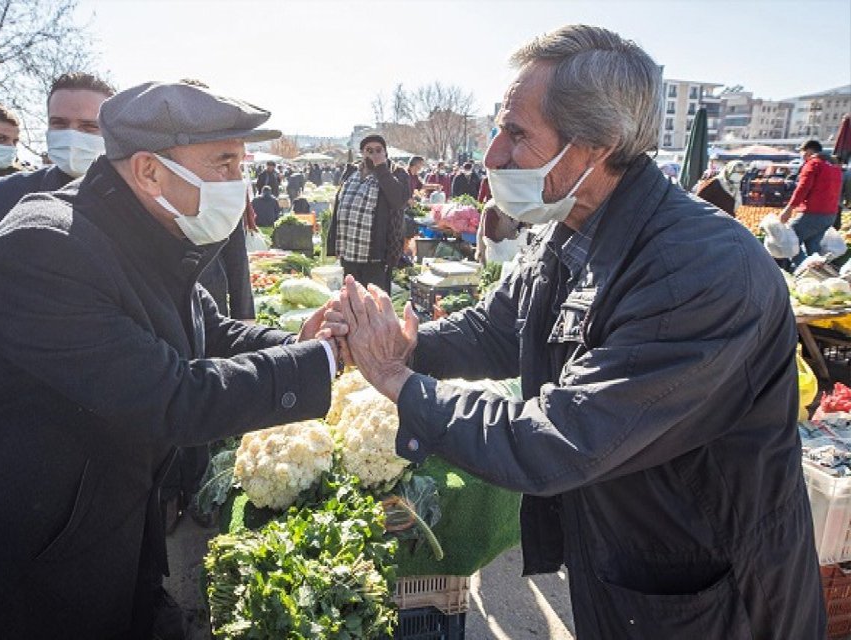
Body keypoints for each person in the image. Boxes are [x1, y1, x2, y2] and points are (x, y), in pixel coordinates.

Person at [331, 24, 824, 639]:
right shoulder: (566, 226)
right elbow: (498, 329)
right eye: (496, 130)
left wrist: (399, 380)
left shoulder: (698, 269)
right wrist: (410, 345)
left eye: (516, 134)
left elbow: (558, 439)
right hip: (624, 561)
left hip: (716, 598)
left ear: (597, 144)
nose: (491, 157)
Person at [0, 81, 346, 639]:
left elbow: (207, 329)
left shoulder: (146, 232)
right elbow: (173, 395)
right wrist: (321, 364)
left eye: (240, 165)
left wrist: (296, 339)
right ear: (149, 171)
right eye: (223, 164)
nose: (238, 185)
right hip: (28, 572)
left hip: (105, 538)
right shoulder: (45, 249)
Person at [0, 72, 116, 270]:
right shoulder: (6, 195)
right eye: (59, 123)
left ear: (112, 129)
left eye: (89, 126)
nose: (72, 135)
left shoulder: (143, 199)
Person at [326, 134, 409, 293]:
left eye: (378, 150)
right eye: (369, 150)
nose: (374, 154)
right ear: (363, 153)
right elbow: (339, 205)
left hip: (375, 256)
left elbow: (398, 200)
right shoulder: (352, 172)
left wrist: (381, 168)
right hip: (349, 251)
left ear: (385, 152)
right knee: (351, 300)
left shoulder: (396, 173)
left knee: (374, 304)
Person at [780, 139, 845, 267]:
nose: (802, 156)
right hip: (830, 215)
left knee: (789, 240)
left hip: (813, 213)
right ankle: (815, 273)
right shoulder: (834, 167)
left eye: (802, 153)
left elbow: (803, 188)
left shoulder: (813, 164)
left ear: (809, 151)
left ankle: (804, 269)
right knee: (813, 246)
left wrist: (788, 209)